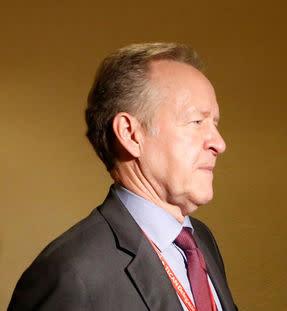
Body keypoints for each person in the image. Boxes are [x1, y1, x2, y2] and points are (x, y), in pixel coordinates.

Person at [8, 43, 237, 311]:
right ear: (130, 134)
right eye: (197, 122)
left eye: (215, 124)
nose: (219, 143)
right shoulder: (71, 274)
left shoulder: (201, 241)